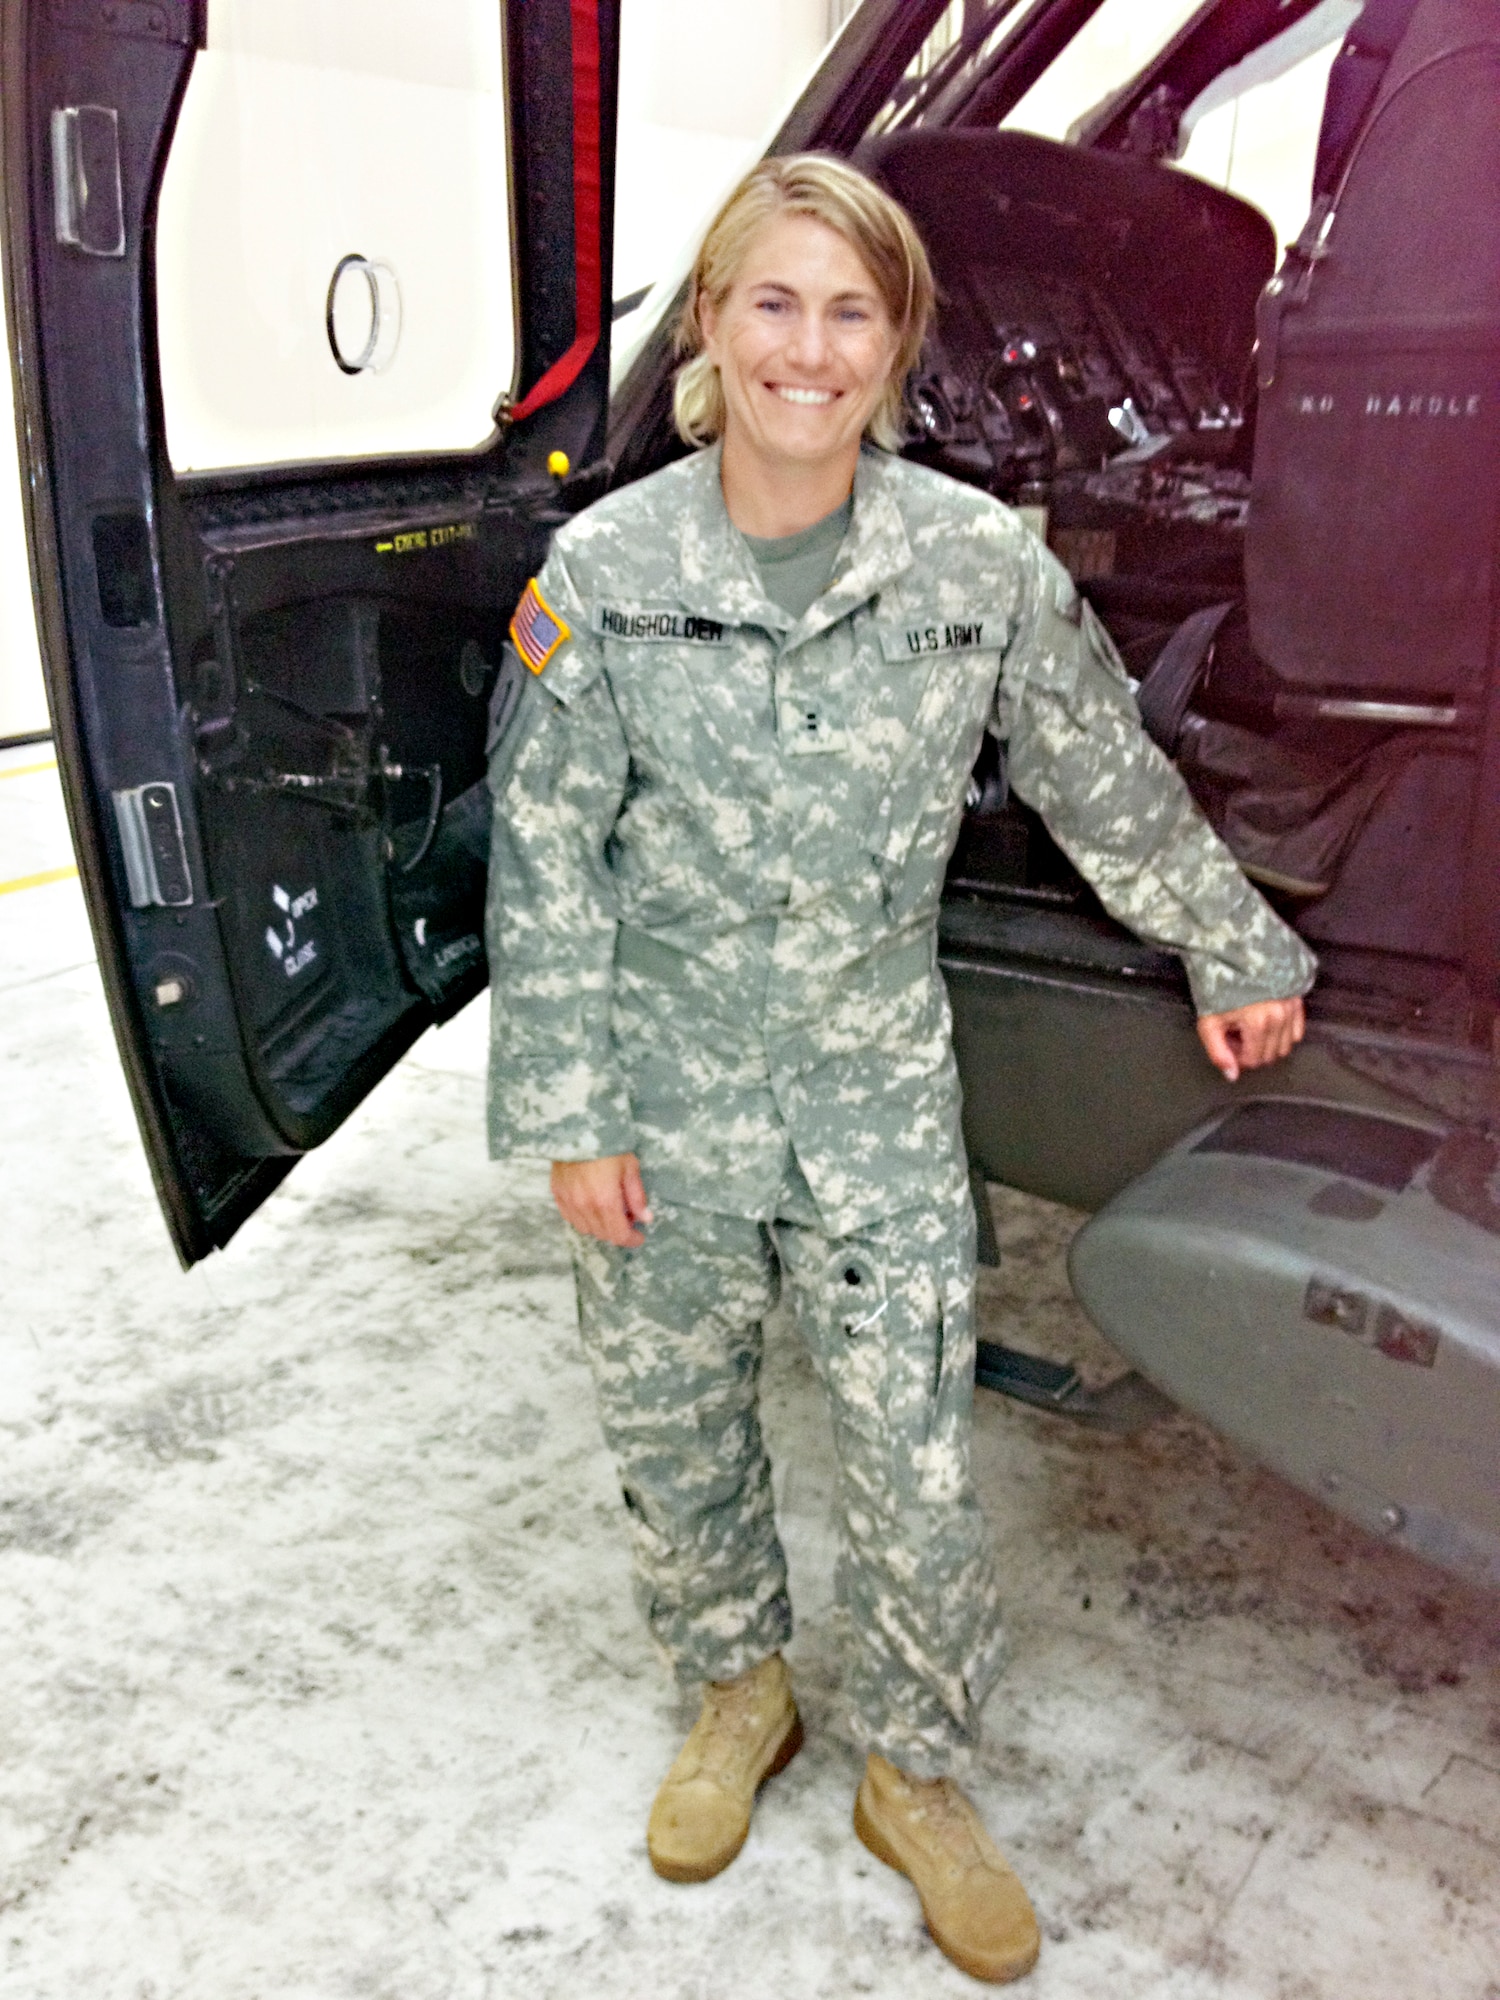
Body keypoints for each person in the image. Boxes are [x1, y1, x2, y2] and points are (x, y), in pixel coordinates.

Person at [484, 154, 1314, 1985]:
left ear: (898, 345)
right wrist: (567, 1114)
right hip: (665, 1082)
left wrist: (1231, 941)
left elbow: (1100, 768)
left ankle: (915, 1773)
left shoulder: (974, 564)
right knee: (674, 1430)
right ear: (711, 324)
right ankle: (737, 1697)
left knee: (915, 1459)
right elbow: (542, 859)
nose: (809, 347)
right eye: (772, 302)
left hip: (871, 1092)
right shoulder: (606, 577)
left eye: (850, 311)